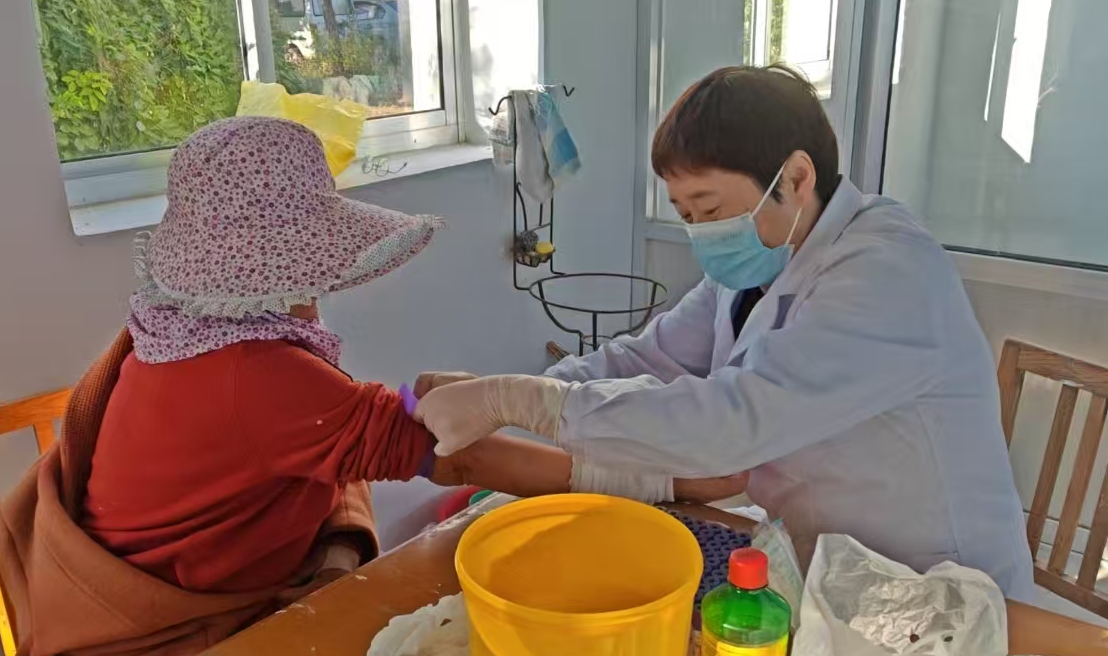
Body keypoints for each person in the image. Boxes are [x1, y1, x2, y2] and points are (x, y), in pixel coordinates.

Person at [0, 117, 742, 656]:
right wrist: (654, 482)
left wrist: (438, 410)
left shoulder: (170, 331)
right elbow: (458, 460)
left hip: (121, 625)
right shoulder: (256, 376)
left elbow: (372, 427)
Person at [415, 66, 1035, 601]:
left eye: (710, 210)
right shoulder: (754, 268)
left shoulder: (888, 272)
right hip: (827, 567)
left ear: (796, 178)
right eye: (686, 216)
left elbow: (731, 426)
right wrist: (512, 392)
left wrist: (518, 403)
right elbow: (650, 358)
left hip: (936, 584)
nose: (702, 234)